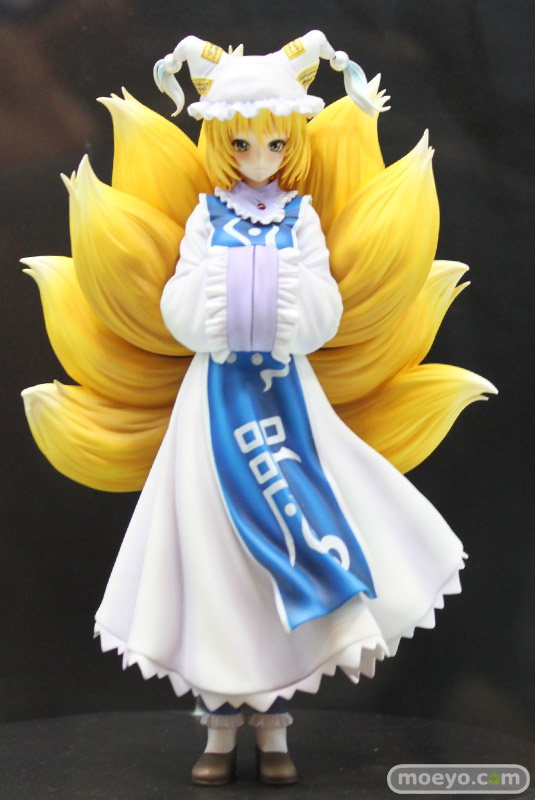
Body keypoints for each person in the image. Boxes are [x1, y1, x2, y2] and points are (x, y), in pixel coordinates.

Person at [22, 30, 496, 786]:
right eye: (242, 144)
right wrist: (212, 305)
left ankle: (274, 730)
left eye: (274, 143)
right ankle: (217, 730)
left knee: (291, 538)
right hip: (213, 405)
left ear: (292, 143)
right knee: (219, 564)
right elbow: (177, 302)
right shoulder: (205, 220)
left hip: (286, 400)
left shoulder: (300, 219)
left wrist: (286, 306)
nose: (258, 157)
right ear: (220, 143)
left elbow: (325, 307)